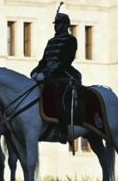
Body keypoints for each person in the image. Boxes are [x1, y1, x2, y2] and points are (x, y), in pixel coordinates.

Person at [31, 9, 81, 142]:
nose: (56, 26)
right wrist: (36, 71)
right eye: (55, 23)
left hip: (63, 73)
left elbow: (67, 59)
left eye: (58, 23)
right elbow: (44, 60)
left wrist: (51, 71)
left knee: (58, 95)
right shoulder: (51, 41)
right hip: (48, 74)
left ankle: (64, 131)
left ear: (65, 25)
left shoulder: (70, 40)